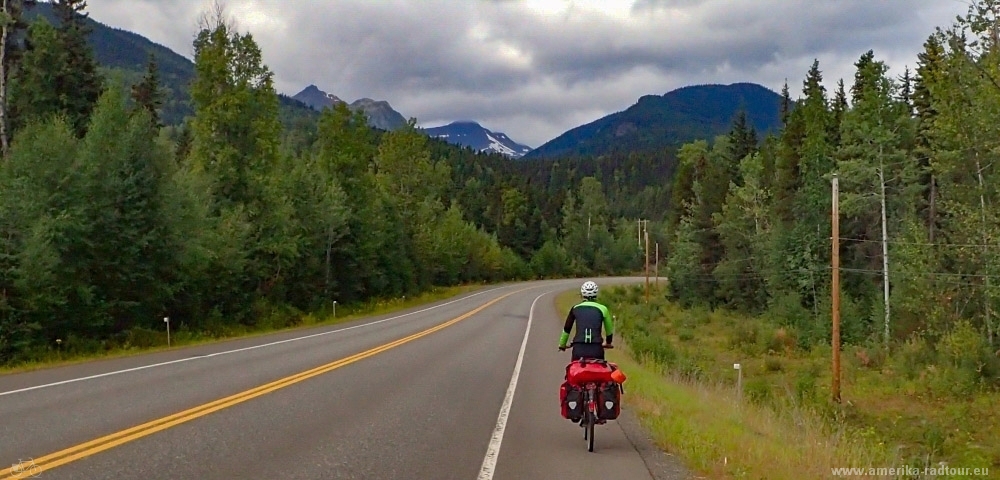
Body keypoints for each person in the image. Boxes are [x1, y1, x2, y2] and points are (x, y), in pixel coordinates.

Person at [558, 280, 613, 361]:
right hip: (596, 349)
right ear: (596, 294)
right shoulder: (603, 309)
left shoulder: (575, 308)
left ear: (582, 294)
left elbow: (567, 329)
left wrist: (562, 344)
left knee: (572, 371)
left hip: (578, 349)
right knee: (599, 371)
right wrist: (608, 343)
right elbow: (609, 332)